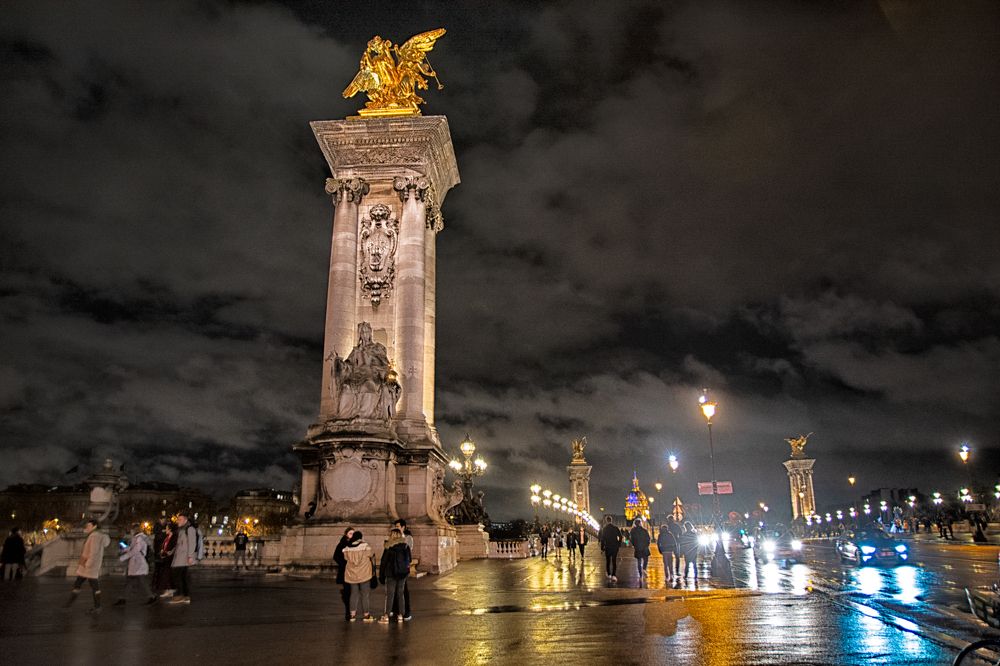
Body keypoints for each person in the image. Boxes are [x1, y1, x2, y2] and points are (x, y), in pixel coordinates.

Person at [65, 519, 110, 613]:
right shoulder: (94, 535)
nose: (87, 527)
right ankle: (69, 603)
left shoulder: (95, 536)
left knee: (93, 586)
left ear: (94, 526)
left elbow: (94, 552)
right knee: (80, 583)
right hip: (86, 565)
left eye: (89, 526)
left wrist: (88, 564)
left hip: (89, 565)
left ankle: (97, 607)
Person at [115, 523, 156, 606]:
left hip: (139, 563)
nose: (130, 531)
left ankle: (151, 596)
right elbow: (131, 548)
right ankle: (123, 598)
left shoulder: (139, 538)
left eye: (131, 530)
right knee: (132, 581)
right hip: (136, 563)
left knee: (140, 581)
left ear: (134, 530)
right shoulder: (138, 538)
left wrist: (123, 557)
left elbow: (135, 551)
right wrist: (124, 548)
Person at [378, 527, 412, 623]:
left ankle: (386, 616)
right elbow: (409, 559)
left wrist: (381, 575)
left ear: (391, 536)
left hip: (391, 574)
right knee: (400, 594)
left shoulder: (388, 547)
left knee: (390, 595)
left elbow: (383, 562)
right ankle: (401, 615)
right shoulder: (406, 546)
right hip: (402, 573)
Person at [343, 531, 375, 621]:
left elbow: (345, 558)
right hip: (364, 574)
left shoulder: (347, 547)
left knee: (353, 594)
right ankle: (366, 615)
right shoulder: (365, 546)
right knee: (365, 595)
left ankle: (352, 615)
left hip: (352, 574)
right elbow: (371, 554)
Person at [169, 512, 197, 605]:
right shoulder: (181, 529)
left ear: (185, 520)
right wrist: (171, 552)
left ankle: (180, 595)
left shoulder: (189, 529)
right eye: (178, 519)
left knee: (177, 576)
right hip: (180, 556)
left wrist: (190, 556)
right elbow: (178, 544)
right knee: (183, 577)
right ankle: (185, 596)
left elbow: (192, 543)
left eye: (180, 519)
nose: (178, 521)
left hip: (184, 557)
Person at [391, 519, 413, 620]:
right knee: (394, 590)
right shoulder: (393, 537)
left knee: (404, 591)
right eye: (395, 526)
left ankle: (406, 612)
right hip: (394, 567)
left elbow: (408, 551)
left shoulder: (408, 538)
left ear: (403, 527)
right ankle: (395, 610)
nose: (396, 528)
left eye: (398, 526)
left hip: (403, 568)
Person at [333, 527, 356, 620]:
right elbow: (335, 556)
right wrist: (344, 563)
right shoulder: (342, 544)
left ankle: (351, 610)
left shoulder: (354, 544)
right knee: (347, 591)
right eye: (350, 533)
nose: (352, 535)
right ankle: (348, 611)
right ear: (346, 534)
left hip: (353, 571)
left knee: (352, 591)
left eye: (353, 533)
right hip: (345, 571)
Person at [598, 516, 622, 582]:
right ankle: (614, 575)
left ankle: (609, 574)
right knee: (614, 561)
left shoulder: (604, 529)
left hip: (608, 547)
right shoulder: (615, 528)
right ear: (611, 520)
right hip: (614, 547)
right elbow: (620, 536)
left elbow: (602, 539)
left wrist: (602, 548)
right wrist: (618, 544)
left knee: (608, 561)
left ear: (606, 521)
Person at [155, 522, 176, 596]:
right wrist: (162, 550)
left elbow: (174, 547)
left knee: (167, 574)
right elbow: (164, 545)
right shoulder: (167, 537)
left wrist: (169, 552)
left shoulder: (174, 537)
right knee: (166, 574)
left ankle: (170, 590)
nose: (165, 529)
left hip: (170, 558)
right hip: (166, 558)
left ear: (170, 529)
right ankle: (169, 590)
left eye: (166, 528)